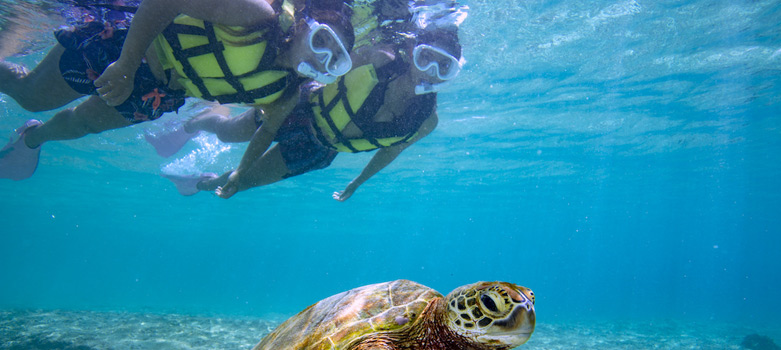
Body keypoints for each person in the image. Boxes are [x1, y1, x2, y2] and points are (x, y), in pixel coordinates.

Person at [0, 0, 354, 180]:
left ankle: (33, 138)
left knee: (82, 124)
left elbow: (265, 132)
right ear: (308, 24)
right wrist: (125, 64)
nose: (321, 58)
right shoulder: (257, 15)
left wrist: (244, 173)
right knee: (30, 95)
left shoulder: (284, 91)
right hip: (130, 45)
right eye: (322, 41)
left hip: (161, 92)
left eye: (334, 61)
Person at [159, 27, 462, 201]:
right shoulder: (377, 59)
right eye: (425, 59)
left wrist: (358, 181)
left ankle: (195, 183)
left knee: (242, 182)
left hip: (318, 150)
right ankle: (192, 123)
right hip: (299, 108)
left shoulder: (426, 121)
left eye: (443, 67)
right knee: (227, 132)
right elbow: (323, 64)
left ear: (451, 75)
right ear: (412, 54)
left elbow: (390, 151)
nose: (430, 72)